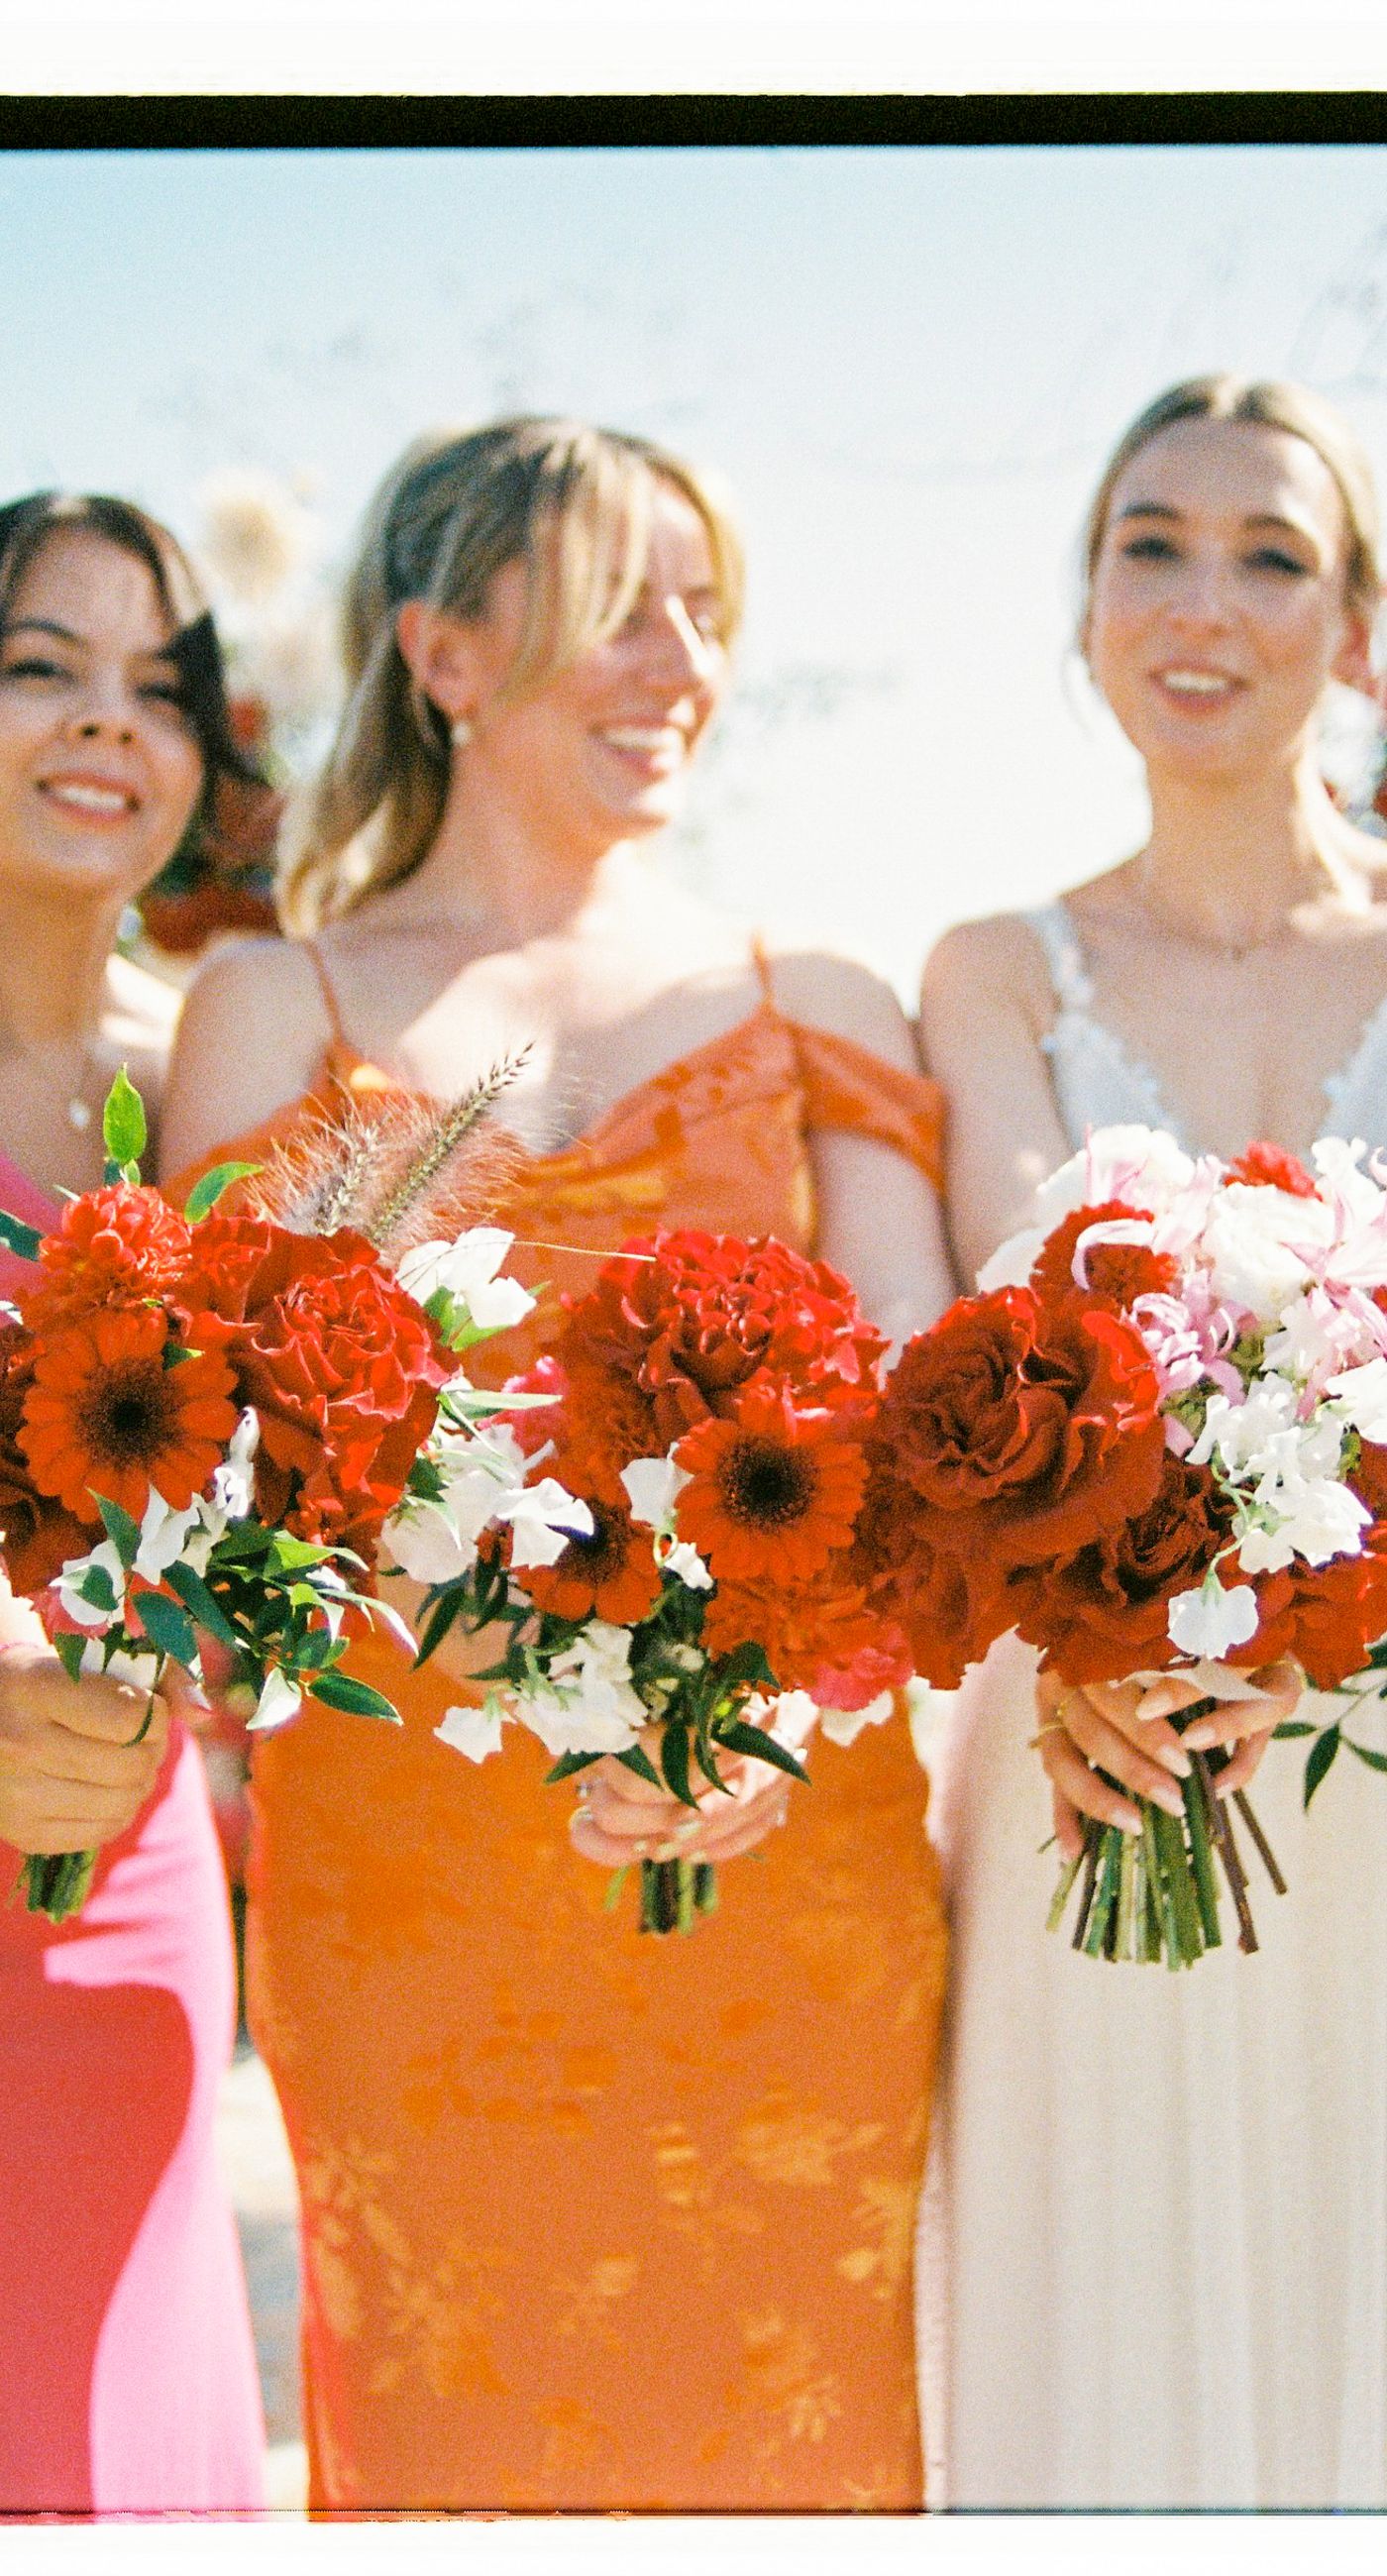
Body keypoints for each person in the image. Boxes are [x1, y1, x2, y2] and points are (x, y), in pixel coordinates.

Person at [160, 415, 954, 2514]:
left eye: (706, 609)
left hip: (788, 1877)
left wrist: (768, 1728)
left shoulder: (823, 995)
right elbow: (227, 1485)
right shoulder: (272, 1006)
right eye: (624, 604)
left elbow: (912, 1449)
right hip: (415, 1912)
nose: (682, 658)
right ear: (441, 649)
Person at [917, 374, 1387, 2511]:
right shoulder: (989, 972)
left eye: (1271, 552)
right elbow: (1009, 1348)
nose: (1202, 599)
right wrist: (1076, 1658)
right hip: (1089, 1748)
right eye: (1149, 543)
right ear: (1086, 607)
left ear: (1355, 629)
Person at [0, 492, 265, 2515]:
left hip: (135, 1860)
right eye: (39, 667)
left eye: (154, 687)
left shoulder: (198, 1092)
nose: (107, 726)